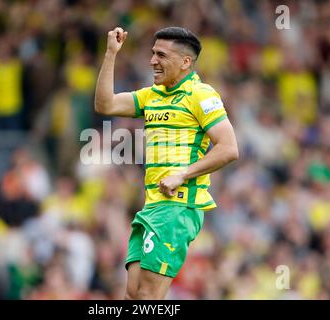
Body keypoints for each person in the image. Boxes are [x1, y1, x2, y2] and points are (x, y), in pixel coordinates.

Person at [94, 26, 239, 300]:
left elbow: (229, 148)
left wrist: (182, 175)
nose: (152, 61)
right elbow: (105, 105)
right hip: (152, 207)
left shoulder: (201, 95)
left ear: (186, 62)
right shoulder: (152, 95)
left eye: (161, 55)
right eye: (152, 54)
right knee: (133, 295)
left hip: (177, 206)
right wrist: (111, 53)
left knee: (149, 296)